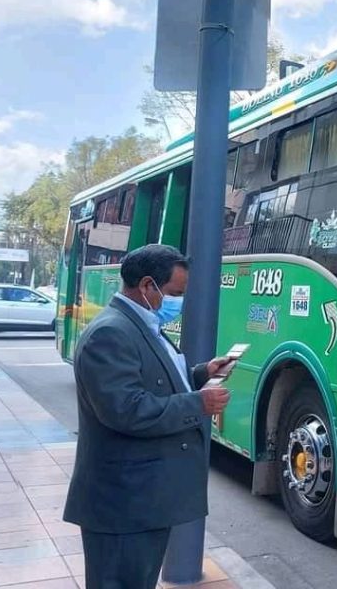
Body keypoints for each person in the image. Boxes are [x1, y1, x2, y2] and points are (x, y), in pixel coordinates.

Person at [63, 244, 233, 589]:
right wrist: (198, 404)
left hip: (142, 501)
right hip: (124, 506)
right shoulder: (111, 333)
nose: (178, 302)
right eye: (175, 293)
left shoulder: (139, 323)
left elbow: (154, 380)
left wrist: (201, 373)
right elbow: (127, 410)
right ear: (146, 286)